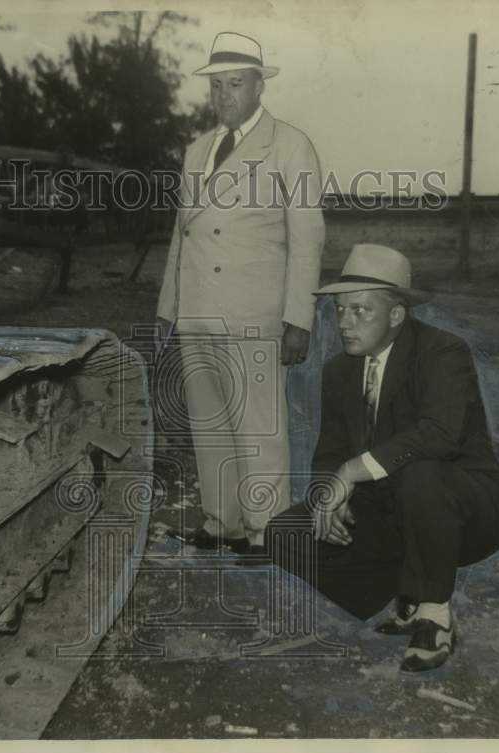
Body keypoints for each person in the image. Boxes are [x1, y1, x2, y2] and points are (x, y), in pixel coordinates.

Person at [261, 244, 499, 672]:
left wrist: (351, 471)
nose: (344, 323)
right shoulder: (339, 371)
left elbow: (440, 436)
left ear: (397, 314)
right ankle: (408, 592)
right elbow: (329, 454)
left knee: (420, 472)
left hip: (468, 506)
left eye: (360, 311)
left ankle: (434, 615)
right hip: (393, 510)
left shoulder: (442, 352)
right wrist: (329, 495)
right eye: (340, 310)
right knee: (284, 534)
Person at [156, 32, 325, 554]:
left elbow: (307, 238)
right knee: (209, 423)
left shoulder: (290, 145)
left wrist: (298, 318)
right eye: (216, 86)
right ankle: (221, 522)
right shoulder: (196, 151)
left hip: (254, 312)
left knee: (258, 427)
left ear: (258, 86)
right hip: (199, 310)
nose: (224, 96)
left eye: (236, 84)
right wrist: (168, 309)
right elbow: (181, 235)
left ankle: (266, 531)